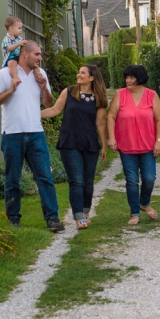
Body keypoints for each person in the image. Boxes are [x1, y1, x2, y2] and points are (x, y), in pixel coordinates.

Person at [0, 40, 64, 233]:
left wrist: (44, 87)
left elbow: (48, 104)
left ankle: (52, 219)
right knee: (12, 179)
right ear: (25, 54)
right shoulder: (5, 74)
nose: (40, 58)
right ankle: (13, 218)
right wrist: (11, 90)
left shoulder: (41, 74)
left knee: (45, 176)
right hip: (12, 133)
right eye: (37, 54)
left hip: (36, 133)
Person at [41, 65, 108, 230]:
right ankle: (78, 217)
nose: (78, 75)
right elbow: (55, 110)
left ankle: (86, 213)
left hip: (90, 143)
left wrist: (104, 146)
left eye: (82, 73)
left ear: (92, 77)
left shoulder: (99, 98)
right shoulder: (69, 92)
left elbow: (100, 123)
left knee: (88, 181)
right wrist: (33, 114)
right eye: (78, 72)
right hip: (70, 142)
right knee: (76, 181)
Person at [107, 65, 160, 225]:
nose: (128, 80)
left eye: (132, 77)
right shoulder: (120, 94)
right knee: (131, 180)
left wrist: (158, 141)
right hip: (126, 145)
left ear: (140, 78)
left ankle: (144, 203)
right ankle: (134, 213)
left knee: (149, 178)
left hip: (148, 145)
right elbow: (111, 116)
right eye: (127, 77)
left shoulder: (151, 95)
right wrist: (111, 138)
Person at [2, 16, 43, 86]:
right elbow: (9, 48)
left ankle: (38, 75)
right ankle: (15, 77)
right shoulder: (6, 39)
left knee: (33, 63)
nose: (21, 30)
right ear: (11, 28)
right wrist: (18, 44)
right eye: (19, 28)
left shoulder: (19, 38)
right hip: (11, 57)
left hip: (19, 56)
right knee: (12, 63)